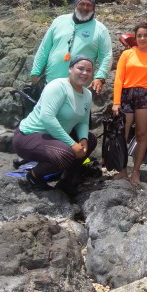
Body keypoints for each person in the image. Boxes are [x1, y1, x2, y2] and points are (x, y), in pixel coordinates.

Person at [13, 54, 97, 194]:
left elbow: (82, 121)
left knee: (90, 140)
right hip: (28, 136)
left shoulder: (87, 94)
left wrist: (83, 140)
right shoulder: (58, 86)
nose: (84, 73)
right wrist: (71, 143)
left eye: (88, 70)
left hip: (54, 138)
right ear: (70, 69)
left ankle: (66, 180)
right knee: (66, 153)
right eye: (80, 68)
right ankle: (34, 176)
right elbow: (47, 118)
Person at [30, 0, 111, 93]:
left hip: (79, 88)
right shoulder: (59, 21)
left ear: (94, 8)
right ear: (75, 5)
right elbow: (44, 48)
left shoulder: (100, 30)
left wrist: (100, 77)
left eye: (89, 5)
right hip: (51, 83)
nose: (85, 8)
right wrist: (35, 72)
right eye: (82, 4)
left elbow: (106, 56)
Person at [112, 23, 147, 184]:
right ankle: (121, 170)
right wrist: (116, 102)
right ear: (135, 37)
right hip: (127, 95)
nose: (142, 38)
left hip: (146, 96)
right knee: (122, 134)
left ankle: (136, 171)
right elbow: (119, 78)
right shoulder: (127, 54)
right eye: (139, 35)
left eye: (145, 35)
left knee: (141, 134)